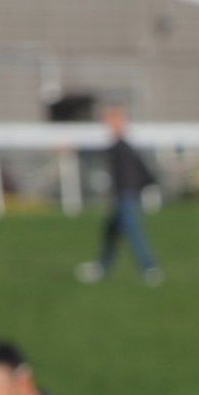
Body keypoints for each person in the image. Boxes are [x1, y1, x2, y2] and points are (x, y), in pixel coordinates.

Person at [76, 106, 163, 286]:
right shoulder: (124, 146)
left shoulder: (121, 146)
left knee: (133, 232)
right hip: (124, 196)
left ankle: (149, 269)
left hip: (126, 196)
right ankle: (102, 266)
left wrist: (75, 150)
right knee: (110, 232)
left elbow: (101, 154)